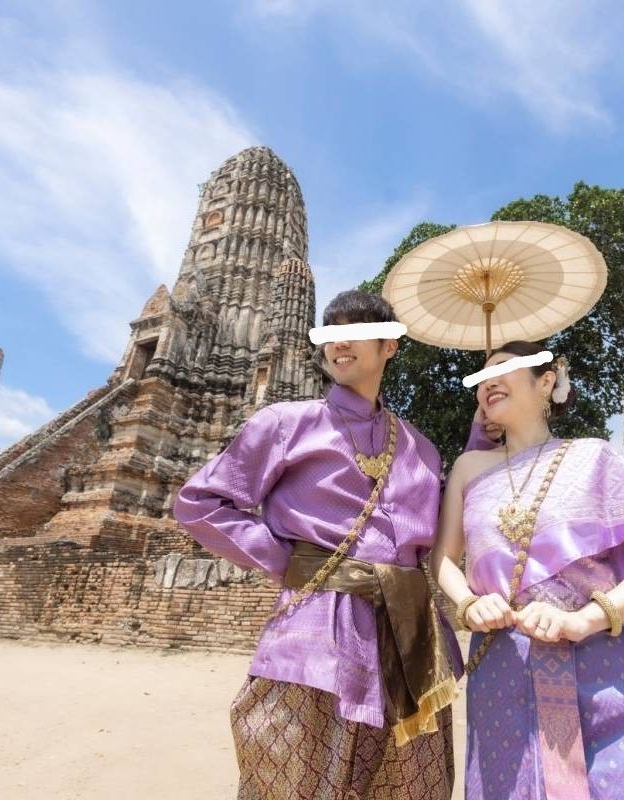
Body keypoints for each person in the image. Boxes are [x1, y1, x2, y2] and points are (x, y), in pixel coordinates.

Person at [174, 290, 461, 800]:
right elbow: (199, 502)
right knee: (297, 777)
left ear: (389, 346)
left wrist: (482, 447)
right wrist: (286, 560)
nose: (339, 344)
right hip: (321, 628)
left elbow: (442, 538)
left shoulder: (422, 449)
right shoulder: (286, 424)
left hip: (413, 635)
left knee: (412, 786)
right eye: (330, 334)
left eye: (354, 332)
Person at [433, 340, 624, 800]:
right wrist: (469, 603)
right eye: (480, 377)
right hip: (502, 663)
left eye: (503, 368)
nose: (487, 382)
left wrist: (583, 620)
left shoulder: (594, 457)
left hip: (599, 666)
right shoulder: (469, 469)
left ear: (546, 381)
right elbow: (444, 559)